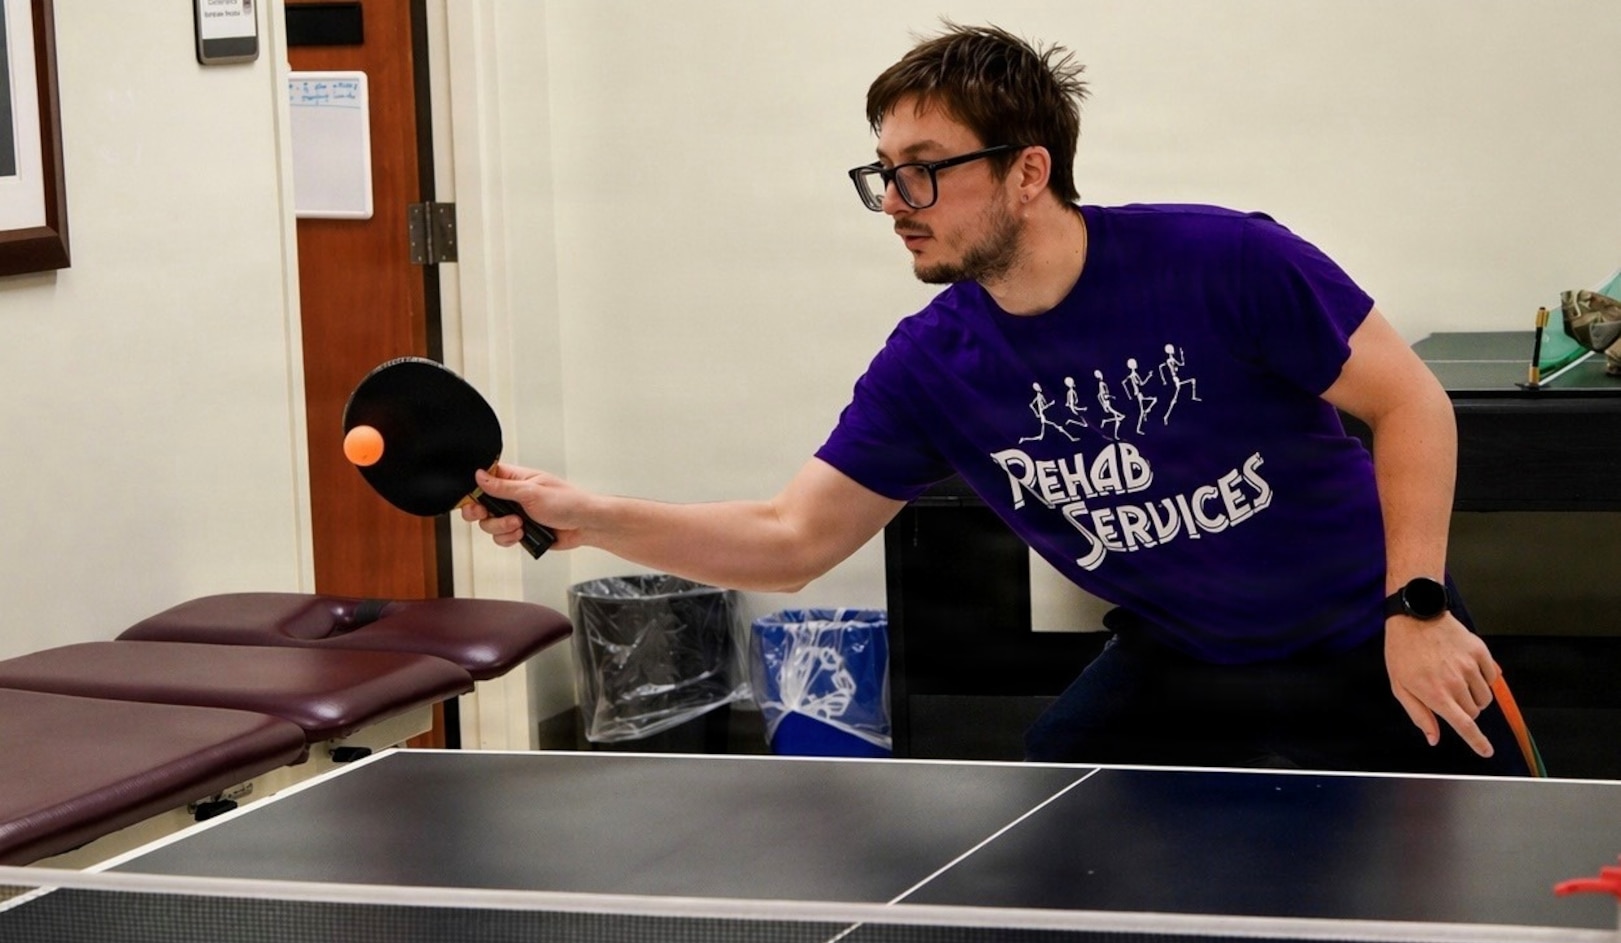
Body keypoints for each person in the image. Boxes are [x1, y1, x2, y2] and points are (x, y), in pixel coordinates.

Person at [464, 22, 1530, 776]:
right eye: (882, 171)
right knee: (1049, 835)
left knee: (1492, 923)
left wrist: (1419, 608)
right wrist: (586, 512)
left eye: (923, 169)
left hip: (1370, 633)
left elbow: (1409, 404)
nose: (894, 202)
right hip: (1182, 662)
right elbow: (790, 538)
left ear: (1028, 172)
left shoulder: (1225, 260)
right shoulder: (934, 366)